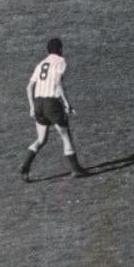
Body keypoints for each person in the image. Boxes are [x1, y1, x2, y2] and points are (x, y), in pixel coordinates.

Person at [20, 38, 88, 181]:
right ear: (61, 50)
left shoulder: (41, 64)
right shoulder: (61, 61)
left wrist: (32, 107)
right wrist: (66, 103)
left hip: (38, 103)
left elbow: (28, 87)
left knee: (41, 139)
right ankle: (76, 169)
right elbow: (57, 83)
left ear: (47, 51)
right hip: (52, 103)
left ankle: (25, 166)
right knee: (65, 136)